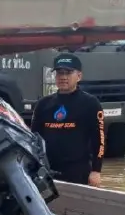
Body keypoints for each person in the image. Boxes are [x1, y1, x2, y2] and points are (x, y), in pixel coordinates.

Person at [30, 52, 104, 186]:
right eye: (59, 73)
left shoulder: (91, 103)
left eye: (68, 73)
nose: (63, 77)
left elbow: (99, 140)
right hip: (48, 170)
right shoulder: (43, 104)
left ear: (79, 76)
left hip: (78, 171)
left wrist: (96, 171)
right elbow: (34, 139)